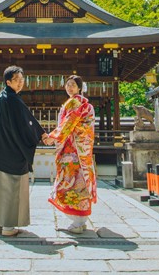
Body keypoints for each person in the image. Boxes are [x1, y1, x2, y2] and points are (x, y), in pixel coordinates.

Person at [0, 65, 46, 236]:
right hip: (13, 151)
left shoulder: (3, 97)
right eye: (17, 80)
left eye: (22, 80)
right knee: (12, 188)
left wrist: (39, 132)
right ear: (8, 81)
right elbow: (25, 124)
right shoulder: (12, 99)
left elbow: (25, 120)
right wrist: (40, 135)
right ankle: (8, 226)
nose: (20, 83)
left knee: (0, 187)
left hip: (1, 150)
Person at [44, 74, 97, 234]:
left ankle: (77, 221)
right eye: (67, 84)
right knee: (80, 180)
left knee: (70, 181)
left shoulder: (76, 102)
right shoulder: (82, 103)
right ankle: (80, 220)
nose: (70, 87)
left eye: (73, 84)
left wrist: (52, 137)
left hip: (73, 151)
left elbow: (68, 123)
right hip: (82, 151)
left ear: (80, 87)